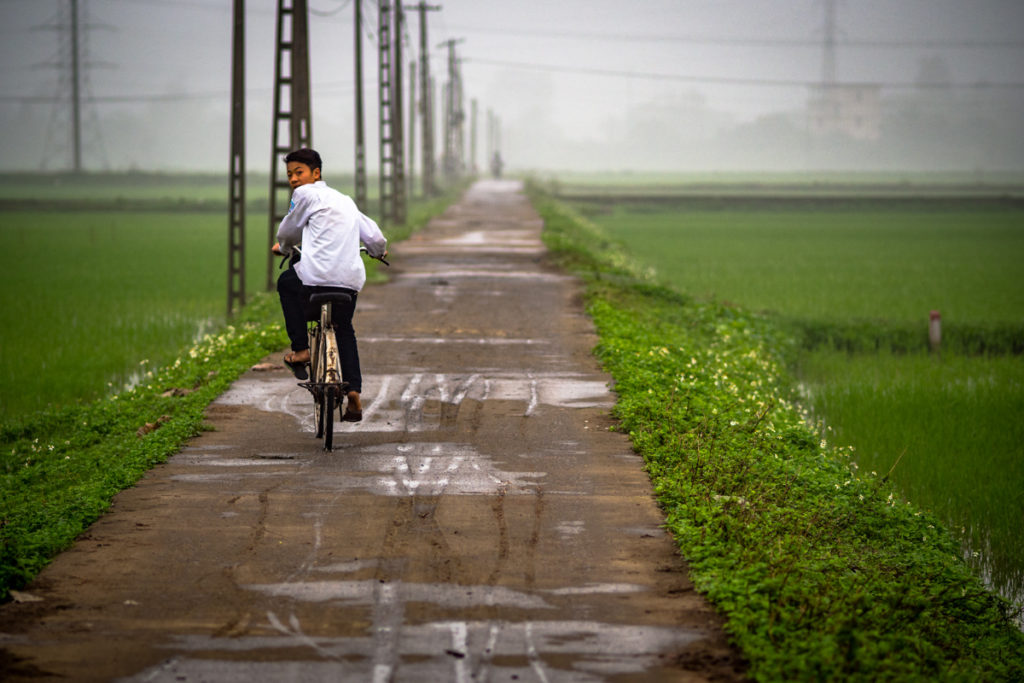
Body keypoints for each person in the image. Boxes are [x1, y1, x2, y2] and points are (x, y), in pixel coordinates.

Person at [272, 147, 387, 422]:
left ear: (316, 173)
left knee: (287, 283)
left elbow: (289, 230)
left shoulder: (304, 195)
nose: (294, 180)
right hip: (348, 282)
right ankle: (354, 393)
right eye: (289, 174)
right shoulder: (346, 201)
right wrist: (378, 251)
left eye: (299, 172)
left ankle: (300, 350)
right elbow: (374, 236)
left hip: (314, 281)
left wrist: (284, 247)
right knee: (344, 328)